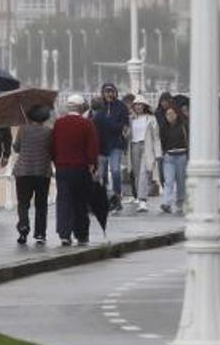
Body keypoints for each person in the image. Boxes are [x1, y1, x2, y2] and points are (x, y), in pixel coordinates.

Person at [53, 94, 100, 246]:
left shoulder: (58, 124)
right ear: (81, 108)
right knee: (80, 202)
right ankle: (81, 234)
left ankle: (64, 234)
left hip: (62, 167)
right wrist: (92, 164)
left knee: (64, 200)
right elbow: (93, 148)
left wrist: (56, 161)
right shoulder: (87, 124)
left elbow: (52, 147)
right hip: (80, 168)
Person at [13, 104, 53, 245]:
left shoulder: (23, 129)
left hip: (23, 171)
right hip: (42, 172)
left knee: (23, 203)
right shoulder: (48, 132)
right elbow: (52, 151)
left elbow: (17, 148)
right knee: (41, 204)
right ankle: (40, 233)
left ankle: (23, 227)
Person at [91, 83, 130, 212]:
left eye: (111, 91)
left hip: (115, 144)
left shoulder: (121, 107)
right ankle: (104, 198)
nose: (109, 94)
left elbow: (124, 126)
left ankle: (117, 197)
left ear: (115, 92)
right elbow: (93, 124)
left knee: (115, 171)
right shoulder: (99, 106)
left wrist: (109, 123)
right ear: (102, 93)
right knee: (100, 175)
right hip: (101, 146)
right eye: (106, 91)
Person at [128, 96, 162, 213]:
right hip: (134, 147)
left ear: (145, 106)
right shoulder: (130, 119)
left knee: (144, 173)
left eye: (140, 104)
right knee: (137, 174)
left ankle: (143, 201)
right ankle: (139, 197)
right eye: (136, 104)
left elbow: (156, 137)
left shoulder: (151, 119)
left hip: (146, 147)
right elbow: (126, 135)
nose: (138, 106)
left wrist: (158, 153)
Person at [159, 104, 189, 215]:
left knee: (181, 182)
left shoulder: (184, 126)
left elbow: (189, 141)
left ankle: (179, 204)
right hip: (169, 157)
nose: (169, 116)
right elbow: (161, 142)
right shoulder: (163, 127)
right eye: (167, 114)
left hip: (182, 156)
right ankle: (166, 203)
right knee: (169, 181)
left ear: (177, 114)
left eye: (172, 113)